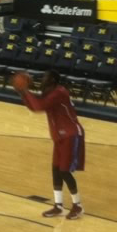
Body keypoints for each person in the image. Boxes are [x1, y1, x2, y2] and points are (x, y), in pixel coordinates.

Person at [15, 70, 85, 219]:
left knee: (65, 171)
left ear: (53, 80)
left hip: (70, 134)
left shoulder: (59, 92)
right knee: (56, 170)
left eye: (45, 78)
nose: (42, 80)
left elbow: (39, 106)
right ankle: (58, 206)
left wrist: (25, 89)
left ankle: (77, 205)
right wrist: (22, 93)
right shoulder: (50, 93)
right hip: (59, 137)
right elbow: (34, 107)